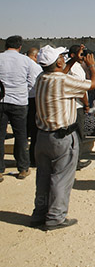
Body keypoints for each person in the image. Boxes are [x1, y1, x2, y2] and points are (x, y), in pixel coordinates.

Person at [30, 45, 95, 230]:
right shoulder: (63, 81)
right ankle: (55, 217)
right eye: (62, 56)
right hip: (62, 138)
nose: (63, 58)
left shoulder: (42, 78)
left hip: (43, 137)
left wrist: (74, 60)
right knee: (61, 178)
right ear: (58, 61)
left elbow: (59, 72)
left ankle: (39, 214)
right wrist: (91, 66)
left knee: (43, 177)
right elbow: (94, 84)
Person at [0, 35, 40, 180]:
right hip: (19, 102)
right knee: (21, 135)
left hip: (1, 100)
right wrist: (21, 89)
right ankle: (23, 168)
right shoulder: (26, 61)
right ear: (20, 47)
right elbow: (32, 81)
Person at [67, 46, 92, 171]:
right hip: (77, 106)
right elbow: (80, 89)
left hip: (72, 105)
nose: (84, 57)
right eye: (81, 54)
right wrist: (86, 104)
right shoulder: (75, 68)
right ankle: (76, 161)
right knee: (78, 134)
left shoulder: (71, 67)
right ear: (73, 55)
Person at [26, 47, 43, 167]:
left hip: (21, 100)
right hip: (33, 100)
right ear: (36, 56)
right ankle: (33, 159)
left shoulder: (22, 64)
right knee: (35, 132)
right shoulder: (36, 67)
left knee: (22, 134)